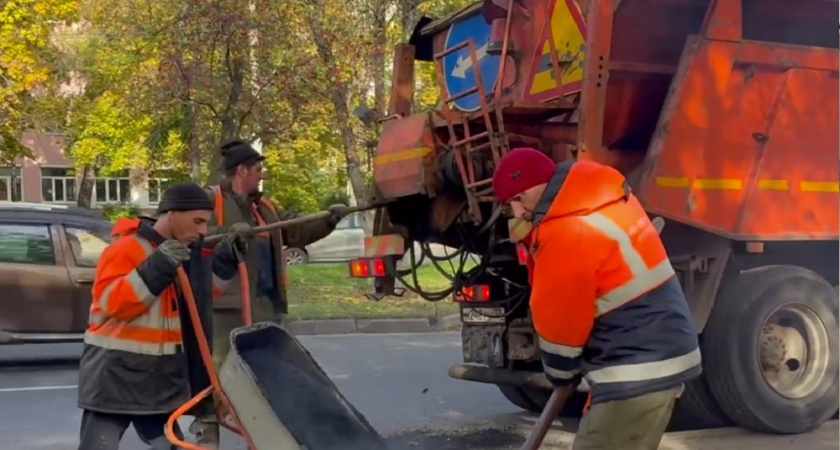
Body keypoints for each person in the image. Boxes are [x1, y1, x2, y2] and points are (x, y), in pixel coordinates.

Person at [492, 148, 701, 450]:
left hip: (636, 366)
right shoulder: (601, 199)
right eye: (508, 205)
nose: (518, 213)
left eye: (519, 198)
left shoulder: (567, 231)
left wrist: (559, 371)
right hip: (653, 352)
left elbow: (559, 321)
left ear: (541, 184)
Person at [190, 139, 349, 447]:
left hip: (265, 308)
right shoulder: (211, 202)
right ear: (241, 171)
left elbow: (296, 232)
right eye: (258, 170)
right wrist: (224, 236)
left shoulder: (265, 208)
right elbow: (187, 236)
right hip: (225, 311)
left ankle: (262, 441)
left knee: (267, 384)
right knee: (215, 381)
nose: (262, 176)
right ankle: (204, 441)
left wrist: (329, 220)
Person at [76, 182, 247, 450]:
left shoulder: (182, 252)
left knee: (170, 445)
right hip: (114, 378)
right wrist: (159, 265)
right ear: (172, 214)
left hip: (155, 382)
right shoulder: (126, 249)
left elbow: (205, 294)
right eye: (198, 221)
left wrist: (226, 258)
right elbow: (114, 304)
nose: (202, 230)